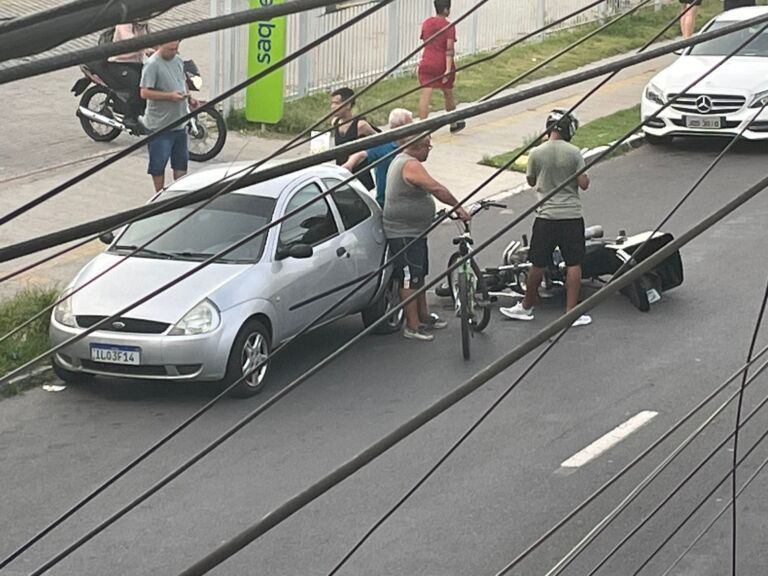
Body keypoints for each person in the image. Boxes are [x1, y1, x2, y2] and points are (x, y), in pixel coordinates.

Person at [500, 109, 592, 328]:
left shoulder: (536, 153)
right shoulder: (574, 152)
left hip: (546, 216)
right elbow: (584, 184)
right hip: (571, 215)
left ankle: (526, 306)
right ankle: (571, 312)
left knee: (537, 263)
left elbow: (531, 181)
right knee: (573, 263)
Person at [384, 134, 470, 341]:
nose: (428, 151)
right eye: (428, 148)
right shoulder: (410, 164)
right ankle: (412, 326)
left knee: (418, 275)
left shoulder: (404, 161)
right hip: (403, 234)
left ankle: (423, 315)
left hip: (415, 232)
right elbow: (436, 188)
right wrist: (458, 207)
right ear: (418, 147)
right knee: (409, 279)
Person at [140, 40, 197, 192]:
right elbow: (144, 92)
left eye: (176, 49)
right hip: (160, 126)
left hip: (180, 122)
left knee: (181, 163)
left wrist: (189, 97)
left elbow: (182, 81)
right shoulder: (152, 65)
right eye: (170, 49)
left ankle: (178, 193)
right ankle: (158, 194)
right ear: (160, 46)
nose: (173, 52)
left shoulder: (178, 60)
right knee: (158, 164)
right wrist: (169, 96)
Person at [342, 108, 414, 207]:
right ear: (398, 127)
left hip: (408, 199)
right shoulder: (384, 145)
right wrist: (348, 165)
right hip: (387, 202)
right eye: (410, 125)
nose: (413, 128)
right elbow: (361, 154)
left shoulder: (412, 144)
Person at [417, 0, 465, 133]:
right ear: (446, 10)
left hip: (427, 60)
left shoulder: (427, 23)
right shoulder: (449, 26)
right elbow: (449, 49)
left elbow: (425, 42)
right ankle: (453, 122)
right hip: (441, 63)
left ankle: (422, 128)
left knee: (425, 94)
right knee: (448, 92)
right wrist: (448, 69)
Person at [107, 21, 153, 133]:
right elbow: (130, 41)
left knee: (151, 81)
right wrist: (145, 49)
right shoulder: (124, 23)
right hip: (119, 63)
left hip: (136, 63)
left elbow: (153, 39)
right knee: (137, 83)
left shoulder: (144, 25)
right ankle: (130, 117)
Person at [331, 87, 378, 191]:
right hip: (342, 174)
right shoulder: (335, 122)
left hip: (360, 178)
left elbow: (379, 140)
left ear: (348, 105)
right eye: (332, 103)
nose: (333, 106)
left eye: (337, 103)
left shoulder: (360, 126)